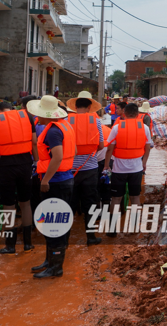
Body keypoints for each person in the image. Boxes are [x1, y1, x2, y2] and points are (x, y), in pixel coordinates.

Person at [26, 95, 76, 278]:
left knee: (54, 225)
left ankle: (56, 267)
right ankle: (50, 261)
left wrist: (45, 180)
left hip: (55, 182)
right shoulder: (64, 126)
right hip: (65, 179)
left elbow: (58, 157)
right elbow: (74, 151)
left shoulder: (53, 131)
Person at [0, 100, 37, 254]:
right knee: (25, 203)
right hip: (26, 164)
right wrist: (36, 162)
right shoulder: (27, 116)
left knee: (8, 205)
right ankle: (28, 243)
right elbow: (34, 143)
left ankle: (10, 245)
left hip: (7, 165)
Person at [102, 103, 152, 237]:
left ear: (124, 113)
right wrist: (144, 163)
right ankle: (134, 227)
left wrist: (106, 165)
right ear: (137, 114)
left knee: (116, 199)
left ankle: (112, 230)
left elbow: (109, 149)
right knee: (135, 197)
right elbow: (148, 148)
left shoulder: (117, 127)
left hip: (118, 169)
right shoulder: (145, 128)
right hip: (136, 169)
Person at [65, 91, 104, 246]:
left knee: (70, 204)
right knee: (89, 203)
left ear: (75, 107)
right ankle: (91, 237)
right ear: (89, 107)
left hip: (70, 170)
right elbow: (101, 145)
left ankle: (65, 239)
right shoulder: (96, 122)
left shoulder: (66, 121)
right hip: (90, 168)